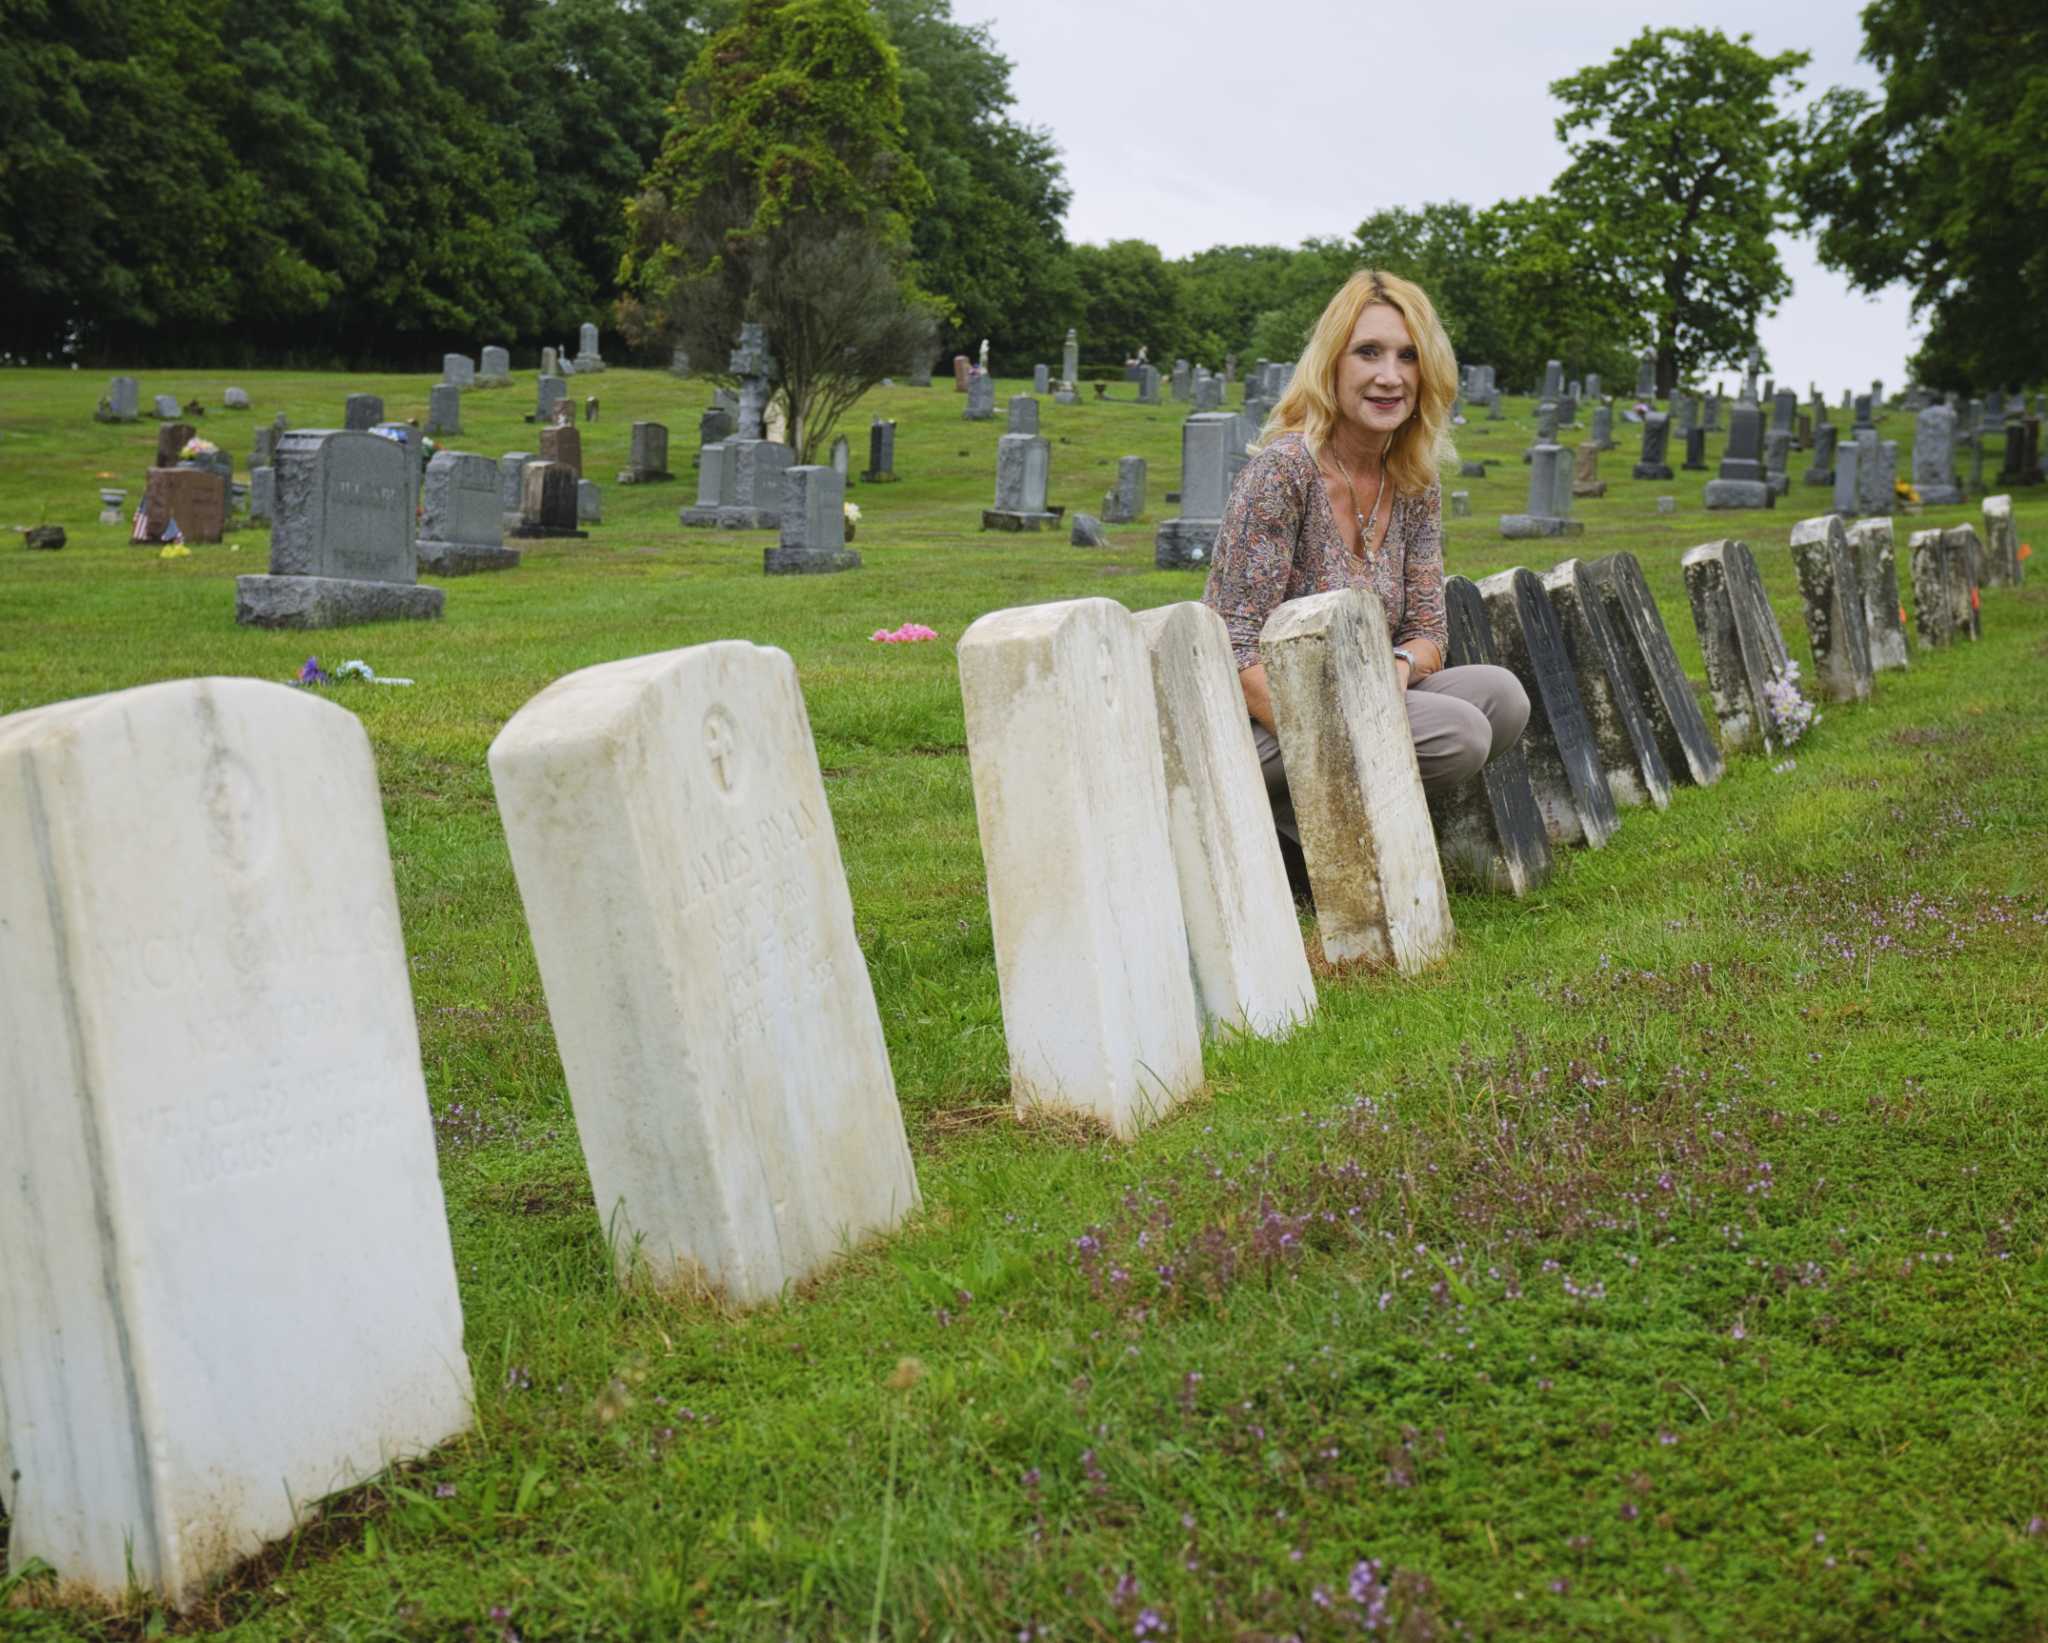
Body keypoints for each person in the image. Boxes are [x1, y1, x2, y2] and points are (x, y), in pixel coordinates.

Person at [1201, 269, 1528, 850]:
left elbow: (1428, 629)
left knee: (1500, 696)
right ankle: (1289, 834)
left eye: (1407, 357)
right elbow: (1231, 644)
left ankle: (1302, 827)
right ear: (1332, 364)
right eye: (1368, 353)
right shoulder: (1283, 473)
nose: (1389, 376)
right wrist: (1324, 737)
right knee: (1458, 734)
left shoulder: (1413, 483)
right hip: (1258, 722)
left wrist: (1393, 674)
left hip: (1363, 690)